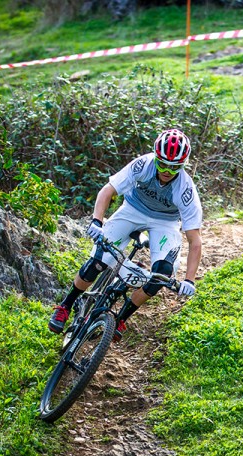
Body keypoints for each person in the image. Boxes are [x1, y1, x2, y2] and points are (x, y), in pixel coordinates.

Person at [48, 128, 203, 340]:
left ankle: (121, 317)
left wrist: (190, 280)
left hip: (165, 222)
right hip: (133, 209)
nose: (167, 170)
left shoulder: (186, 189)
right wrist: (97, 221)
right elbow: (108, 190)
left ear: (182, 166)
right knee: (99, 260)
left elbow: (194, 241)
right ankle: (65, 305)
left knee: (161, 275)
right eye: (163, 163)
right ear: (156, 157)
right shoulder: (144, 165)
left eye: (174, 167)